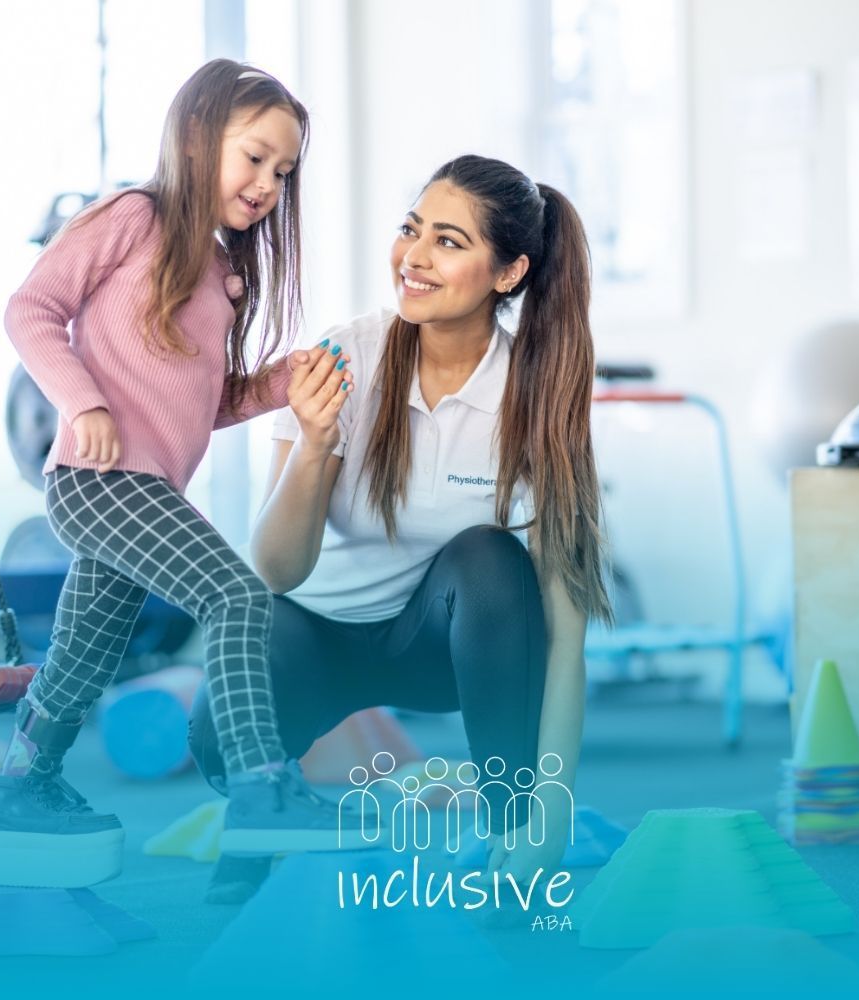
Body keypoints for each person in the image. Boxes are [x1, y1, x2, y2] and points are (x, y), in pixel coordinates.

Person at [189, 153, 612, 900]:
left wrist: (549, 818)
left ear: (507, 273)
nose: (413, 258)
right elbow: (277, 571)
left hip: (440, 650)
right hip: (313, 634)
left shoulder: (535, 397)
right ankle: (262, 812)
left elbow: (565, 634)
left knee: (490, 560)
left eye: (448, 242)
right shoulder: (346, 355)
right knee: (214, 731)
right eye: (411, 230)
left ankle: (504, 828)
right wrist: (316, 446)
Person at [0, 59, 358, 889]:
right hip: (97, 480)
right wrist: (83, 403)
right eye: (255, 156)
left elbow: (200, 404)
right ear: (197, 137)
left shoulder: (221, 273)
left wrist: (275, 384)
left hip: (145, 490)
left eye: (283, 172)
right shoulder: (131, 216)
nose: (267, 184)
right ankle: (264, 788)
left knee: (82, 655)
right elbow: (30, 310)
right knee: (237, 595)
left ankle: (19, 781)